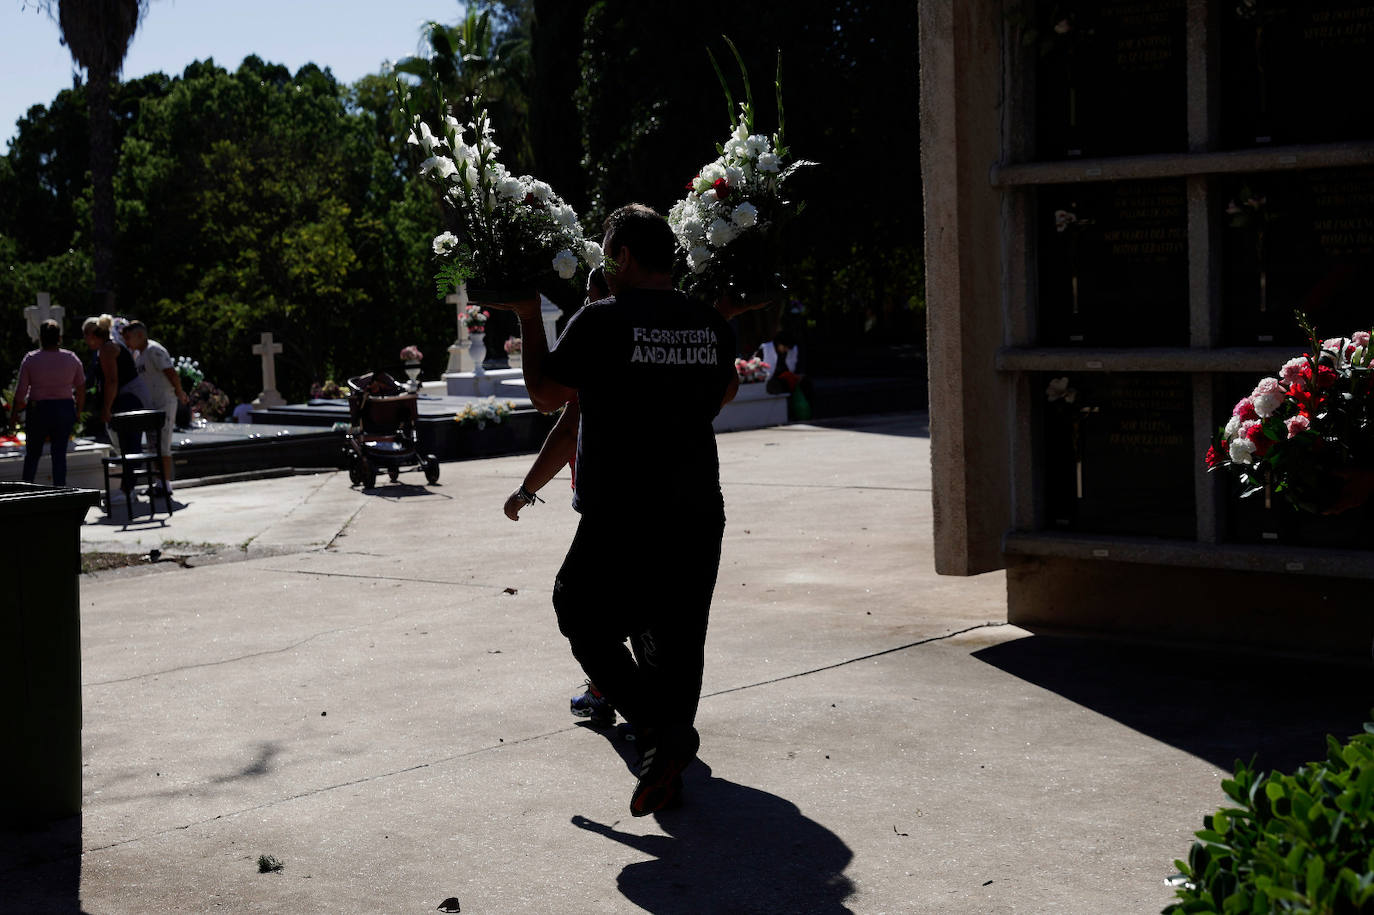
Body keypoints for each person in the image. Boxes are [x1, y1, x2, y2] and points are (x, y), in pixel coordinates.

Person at [494, 203, 739, 816]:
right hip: (696, 509)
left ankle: (661, 732)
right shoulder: (709, 322)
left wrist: (528, 315)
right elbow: (722, 396)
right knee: (678, 639)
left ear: (624, 256)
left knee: (578, 609)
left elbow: (547, 395)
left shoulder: (602, 319)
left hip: (624, 512)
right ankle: (665, 760)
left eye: (609, 252)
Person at [503, 268, 616, 728]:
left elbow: (561, 417)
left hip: (615, 501)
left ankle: (613, 691)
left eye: (592, 298)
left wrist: (526, 491)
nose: (586, 307)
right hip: (676, 496)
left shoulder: (602, 337)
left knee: (581, 603)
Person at [11, 320, 86, 485]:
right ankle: (59, 493)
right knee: (59, 455)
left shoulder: (31, 359)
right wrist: (78, 411)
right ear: (59, 337)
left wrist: (14, 416)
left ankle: (26, 491)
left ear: (41, 338)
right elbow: (81, 388)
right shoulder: (71, 358)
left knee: (32, 454)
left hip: (39, 410)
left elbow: (21, 392)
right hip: (64, 408)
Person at [122, 320, 189, 492]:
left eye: (129, 337)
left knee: (162, 443)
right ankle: (158, 482)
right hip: (150, 406)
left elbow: (170, 372)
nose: (127, 342)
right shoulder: (138, 355)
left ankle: (165, 483)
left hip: (164, 402)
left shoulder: (154, 350)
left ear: (140, 335)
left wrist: (180, 392)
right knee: (153, 444)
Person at [82, 315, 150, 456]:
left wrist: (106, 409)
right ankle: (129, 476)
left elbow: (112, 381)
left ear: (92, 335)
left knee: (129, 448)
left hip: (130, 400)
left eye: (85, 335)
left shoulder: (108, 349)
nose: (85, 340)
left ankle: (130, 477)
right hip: (129, 398)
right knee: (126, 448)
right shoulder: (108, 347)